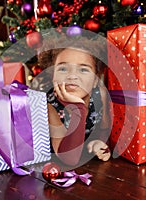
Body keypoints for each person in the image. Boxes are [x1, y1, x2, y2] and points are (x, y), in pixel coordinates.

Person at [37, 36, 113, 166]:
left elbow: (103, 129)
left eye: (83, 69)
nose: (72, 76)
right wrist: (79, 109)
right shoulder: (49, 106)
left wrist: (98, 142)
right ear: (53, 76)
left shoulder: (100, 95)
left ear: (95, 80)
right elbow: (69, 159)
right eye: (63, 69)